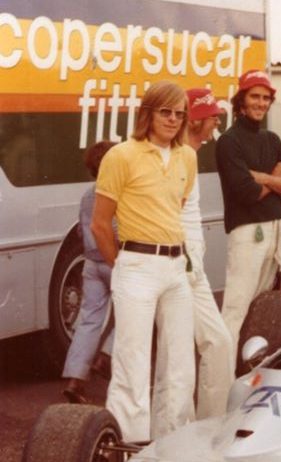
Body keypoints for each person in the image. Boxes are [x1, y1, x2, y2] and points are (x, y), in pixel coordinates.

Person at [91, 80, 197, 442]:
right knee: (132, 363)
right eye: (165, 111)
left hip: (176, 268)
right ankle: (128, 445)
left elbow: (174, 208)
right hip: (136, 265)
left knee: (180, 363)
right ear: (148, 114)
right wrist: (122, 266)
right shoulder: (121, 156)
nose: (173, 119)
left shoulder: (187, 157)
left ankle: (173, 442)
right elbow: (100, 224)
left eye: (179, 113)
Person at [215, 70, 281, 352]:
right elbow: (247, 193)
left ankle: (247, 366)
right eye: (255, 96)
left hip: (275, 228)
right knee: (235, 309)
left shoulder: (272, 139)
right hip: (247, 230)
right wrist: (276, 180)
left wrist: (263, 178)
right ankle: (221, 375)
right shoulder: (229, 141)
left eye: (266, 98)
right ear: (241, 100)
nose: (261, 103)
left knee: (261, 309)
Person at [184, 88, 235, 418]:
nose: (217, 121)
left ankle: (210, 422)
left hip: (191, 264)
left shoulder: (190, 154)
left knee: (216, 343)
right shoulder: (181, 157)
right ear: (195, 119)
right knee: (200, 347)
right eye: (212, 115)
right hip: (182, 264)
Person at [62, 141, 117, 404]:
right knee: (127, 315)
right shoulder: (118, 194)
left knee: (88, 321)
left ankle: (76, 379)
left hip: (91, 265)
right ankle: (106, 356)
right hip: (114, 261)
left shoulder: (87, 195)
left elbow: (81, 230)